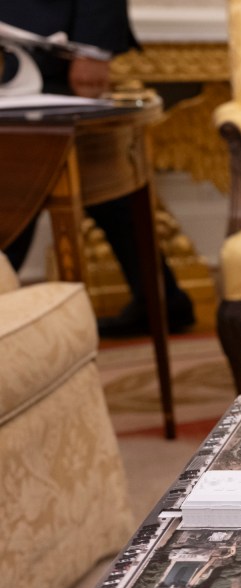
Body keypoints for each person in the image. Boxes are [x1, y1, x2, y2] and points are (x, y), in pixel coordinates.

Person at [0, 0, 194, 336]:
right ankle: (161, 300)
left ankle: (159, 301)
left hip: (49, 55)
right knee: (95, 188)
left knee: (26, 185)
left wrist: (94, 47)